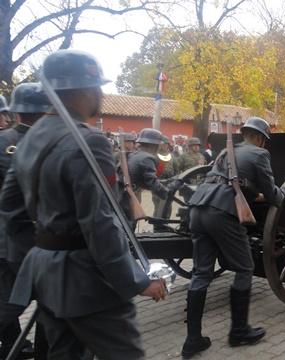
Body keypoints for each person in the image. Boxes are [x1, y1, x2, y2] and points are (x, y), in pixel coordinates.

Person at [4, 49, 167, 360]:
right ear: (83, 90)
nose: (100, 94)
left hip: (45, 276)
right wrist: (137, 281)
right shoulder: (88, 141)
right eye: (97, 87)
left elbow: (11, 211)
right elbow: (100, 224)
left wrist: (42, 255)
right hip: (89, 284)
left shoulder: (30, 138)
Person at [182, 117, 285, 359]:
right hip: (223, 211)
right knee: (244, 267)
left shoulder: (223, 152)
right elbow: (271, 192)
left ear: (244, 134)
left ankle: (192, 340)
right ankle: (239, 331)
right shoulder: (260, 155)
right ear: (261, 138)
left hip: (198, 208)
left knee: (201, 273)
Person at [0, 83, 51, 360]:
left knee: (9, 299)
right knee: (46, 303)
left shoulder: (2, 140)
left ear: (16, 112)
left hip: (5, 239)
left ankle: (13, 348)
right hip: (34, 241)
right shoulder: (48, 143)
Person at [126, 128, 179, 219]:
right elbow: (152, 182)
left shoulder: (134, 155)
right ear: (154, 145)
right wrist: (167, 194)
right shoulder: (147, 158)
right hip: (129, 197)